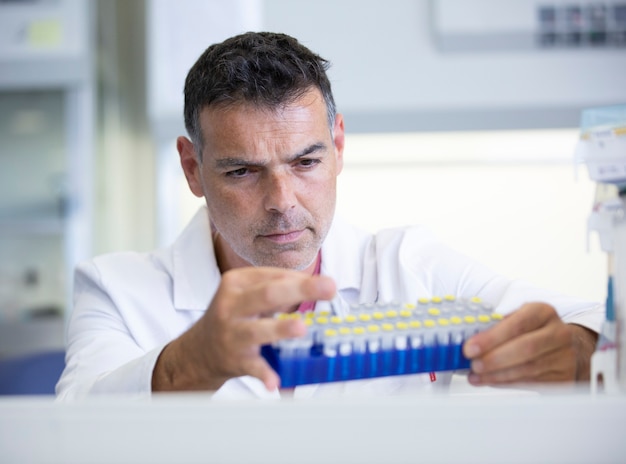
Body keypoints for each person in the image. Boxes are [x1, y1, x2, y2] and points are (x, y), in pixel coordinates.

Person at [56, 32, 602, 400]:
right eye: (243, 172)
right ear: (192, 168)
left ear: (338, 145)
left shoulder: (407, 265)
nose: (283, 201)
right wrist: (192, 363)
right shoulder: (116, 291)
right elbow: (71, 429)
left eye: (306, 161)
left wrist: (574, 354)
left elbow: (590, 327)